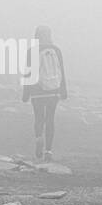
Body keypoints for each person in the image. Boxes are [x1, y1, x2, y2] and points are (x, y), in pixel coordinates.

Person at [22, 25, 67, 161]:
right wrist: (63, 90)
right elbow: (61, 71)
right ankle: (48, 150)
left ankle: (38, 139)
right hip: (53, 91)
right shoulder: (56, 50)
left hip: (37, 91)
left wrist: (26, 94)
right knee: (50, 119)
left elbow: (28, 73)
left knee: (39, 118)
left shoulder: (32, 51)